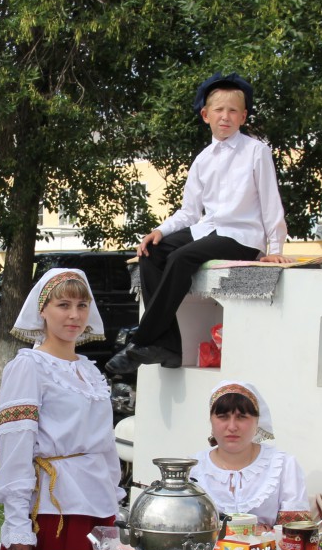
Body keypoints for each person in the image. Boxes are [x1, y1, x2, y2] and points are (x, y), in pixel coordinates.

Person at [107, 73, 292, 374]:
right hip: (208, 230)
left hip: (243, 237)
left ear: (243, 116)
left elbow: (272, 204)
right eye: (219, 110)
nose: (225, 117)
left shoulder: (257, 152)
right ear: (205, 115)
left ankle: (142, 340)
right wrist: (159, 231)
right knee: (152, 253)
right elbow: (189, 213)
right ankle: (166, 344)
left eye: (233, 111)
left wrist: (274, 247)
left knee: (182, 257)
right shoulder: (202, 160)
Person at [0, 267, 122, 550]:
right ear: (43, 310)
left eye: (82, 305)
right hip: (53, 507)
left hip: (95, 502)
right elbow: (16, 443)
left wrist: (114, 499)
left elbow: (105, 445)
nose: (74, 315)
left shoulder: (89, 370)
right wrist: (18, 523)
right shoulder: (29, 367)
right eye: (63, 305)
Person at [189, 380, 312, 529]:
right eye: (223, 416)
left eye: (242, 417)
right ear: (211, 420)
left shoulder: (283, 465)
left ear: (257, 421)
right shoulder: (193, 468)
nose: (232, 427)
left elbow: (295, 534)